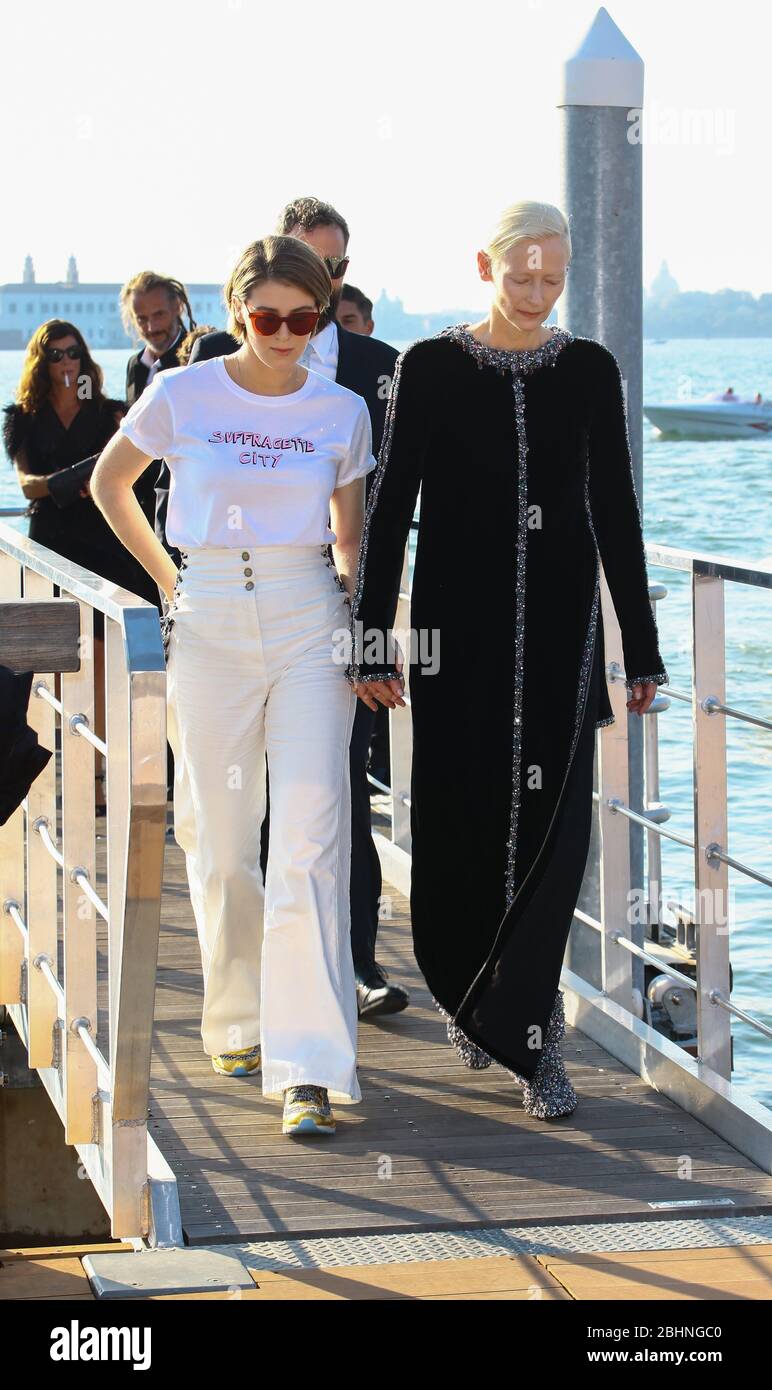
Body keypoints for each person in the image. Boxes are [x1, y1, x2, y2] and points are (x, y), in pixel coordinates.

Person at [347, 200, 669, 1120]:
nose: (536, 294)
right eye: (521, 276)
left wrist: (639, 648)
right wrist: (371, 643)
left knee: (555, 838)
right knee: (460, 827)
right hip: (457, 642)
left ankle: (534, 1039)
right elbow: (389, 510)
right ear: (484, 269)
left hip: (565, 641)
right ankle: (467, 992)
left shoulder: (589, 371)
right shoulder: (432, 368)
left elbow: (616, 509)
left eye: (553, 279)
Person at [91, 236, 376, 1138]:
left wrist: (369, 640)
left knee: (307, 841)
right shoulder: (183, 393)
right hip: (208, 612)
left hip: (307, 619)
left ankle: (309, 1069)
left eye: (306, 317)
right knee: (219, 842)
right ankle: (239, 1021)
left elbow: (352, 540)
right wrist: (169, 584)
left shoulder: (342, 411)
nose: (286, 333)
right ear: (236, 311)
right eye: (267, 317)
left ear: (323, 315)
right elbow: (111, 485)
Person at [189, 197, 408, 1021]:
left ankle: (349, 968)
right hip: (225, 612)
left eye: (335, 276)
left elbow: (395, 504)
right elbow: (153, 476)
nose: (302, 315)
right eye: (306, 274)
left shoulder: (380, 372)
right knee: (234, 824)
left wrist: (377, 630)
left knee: (332, 797)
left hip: (333, 610)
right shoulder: (211, 360)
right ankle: (242, 1001)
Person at [2, 319, 160, 812]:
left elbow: (139, 468)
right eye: (55, 355)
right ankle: (58, 768)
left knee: (107, 656)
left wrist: (73, 481)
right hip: (51, 546)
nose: (66, 362)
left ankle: (107, 774)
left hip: (106, 546)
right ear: (40, 362)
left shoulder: (110, 413)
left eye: (73, 353)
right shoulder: (23, 417)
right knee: (49, 658)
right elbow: (26, 484)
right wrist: (80, 476)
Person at [120, 270, 197, 567]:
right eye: (141, 319)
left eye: (159, 315)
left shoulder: (198, 355)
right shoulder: (134, 365)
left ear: (177, 307)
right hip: (141, 501)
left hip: (181, 506)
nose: (151, 327)